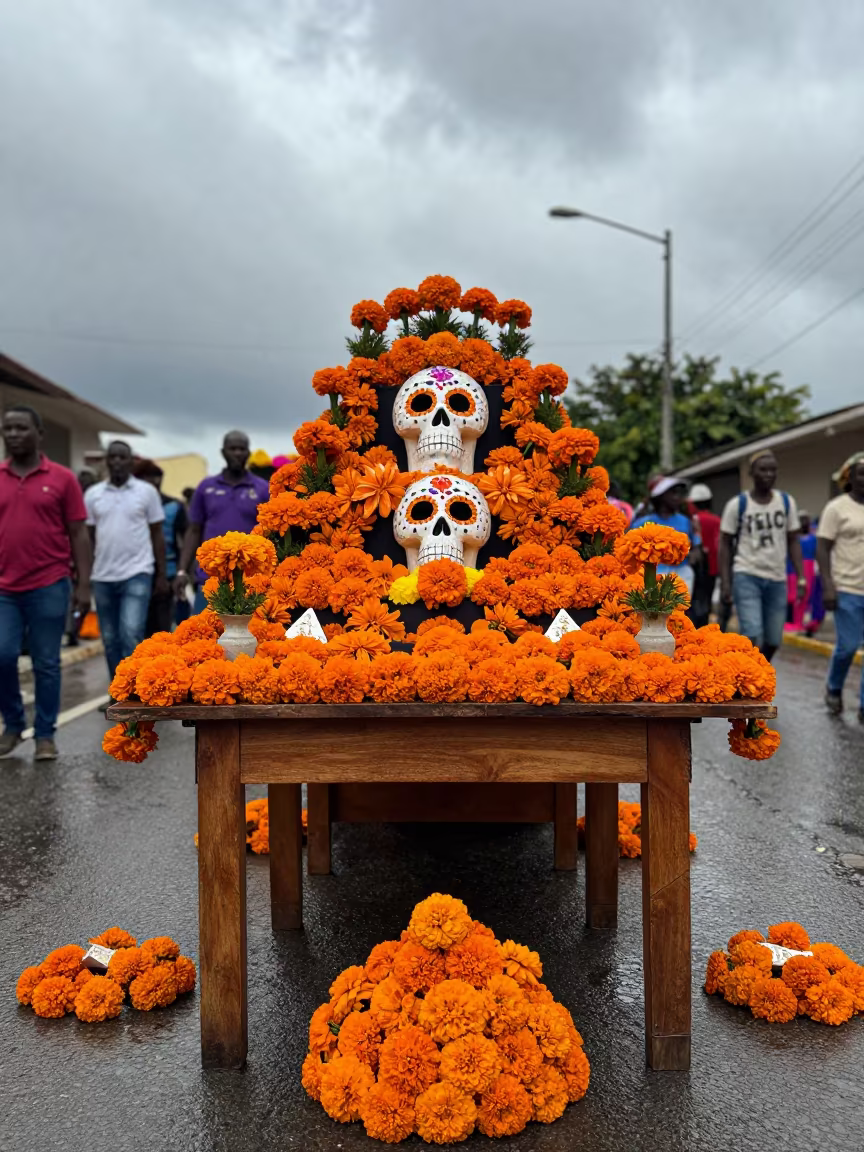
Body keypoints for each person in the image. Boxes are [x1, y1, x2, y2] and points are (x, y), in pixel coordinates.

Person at [0, 406, 91, 760]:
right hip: (4, 588)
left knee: (46, 663)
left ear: (39, 434)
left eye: (21, 428)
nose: (13, 434)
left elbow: (78, 532)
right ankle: (12, 724)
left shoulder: (63, 478)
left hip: (49, 583)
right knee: (3, 656)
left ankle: (45, 734)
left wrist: (84, 585)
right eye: (7, 429)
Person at [85, 441, 167, 679]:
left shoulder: (146, 492)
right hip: (102, 576)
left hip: (137, 572)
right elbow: (87, 538)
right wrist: (84, 576)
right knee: (110, 638)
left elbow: (157, 534)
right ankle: (117, 689)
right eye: (113, 457)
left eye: (123, 457)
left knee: (131, 632)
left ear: (131, 461)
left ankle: (132, 690)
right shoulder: (93, 495)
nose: (117, 462)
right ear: (106, 461)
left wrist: (161, 575)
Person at [719, 449, 804, 662]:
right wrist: (726, 583)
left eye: (773, 470)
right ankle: (745, 676)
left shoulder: (786, 502)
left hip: (777, 578)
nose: (768, 474)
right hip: (747, 574)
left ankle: (757, 671)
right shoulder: (738, 505)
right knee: (752, 634)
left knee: (774, 639)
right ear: (752, 473)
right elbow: (725, 544)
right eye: (763, 469)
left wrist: (801, 576)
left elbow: (793, 539)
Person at [175, 431, 269, 612]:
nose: (237, 453)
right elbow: (194, 530)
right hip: (210, 578)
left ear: (248, 453)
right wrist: (182, 570)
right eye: (232, 448)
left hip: (249, 579)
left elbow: (271, 532)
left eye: (241, 449)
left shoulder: (262, 489)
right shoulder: (206, 487)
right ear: (223, 452)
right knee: (204, 635)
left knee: (248, 637)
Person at [817, 451, 864, 720]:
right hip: (847, 588)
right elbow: (823, 548)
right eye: (861, 474)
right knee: (847, 647)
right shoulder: (837, 508)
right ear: (850, 478)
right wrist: (828, 586)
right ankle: (834, 688)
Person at [134, 459, 188, 634]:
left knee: (162, 624)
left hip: (168, 571)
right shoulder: (133, 506)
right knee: (138, 626)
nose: (155, 483)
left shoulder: (174, 506)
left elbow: (185, 538)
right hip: (136, 570)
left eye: (157, 478)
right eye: (149, 479)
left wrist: (182, 571)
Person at [629, 476, 702, 593]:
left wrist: (692, 555)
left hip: (682, 573)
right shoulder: (642, 523)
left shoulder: (686, 521)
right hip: (651, 576)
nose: (678, 497)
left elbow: (697, 548)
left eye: (679, 493)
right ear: (661, 496)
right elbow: (630, 552)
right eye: (673, 493)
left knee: (678, 610)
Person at [688, 483, 721, 628]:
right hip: (712, 569)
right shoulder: (716, 520)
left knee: (693, 603)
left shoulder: (692, 520)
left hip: (695, 569)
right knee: (706, 603)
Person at [785, 511, 823, 635]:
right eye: (801, 520)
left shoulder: (814, 539)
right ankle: (791, 621)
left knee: (806, 596)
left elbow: (818, 554)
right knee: (792, 597)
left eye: (806, 520)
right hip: (793, 569)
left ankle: (800, 622)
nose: (804, 523)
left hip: (809, 569)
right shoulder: (793, 539)